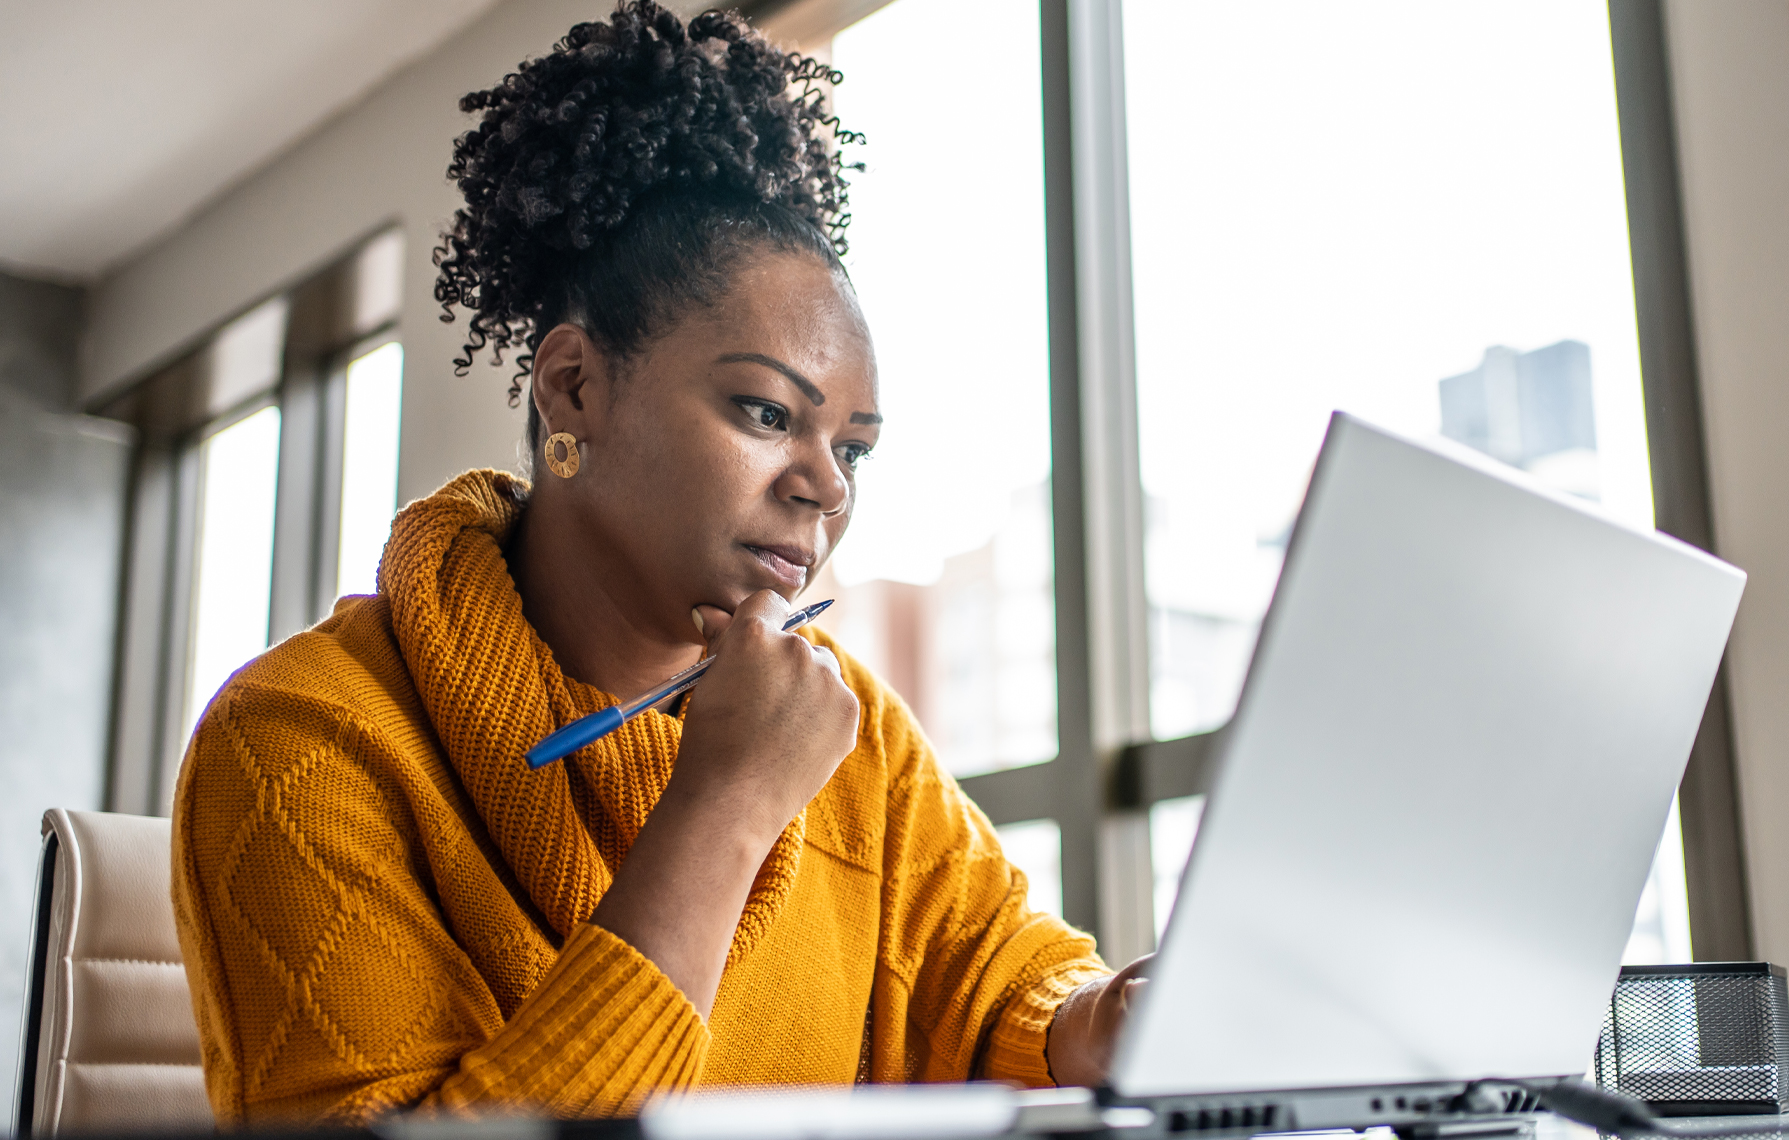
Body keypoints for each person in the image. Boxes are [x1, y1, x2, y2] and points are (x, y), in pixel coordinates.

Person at [170, 2, 1141, 1123]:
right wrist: (725, 808)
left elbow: (996, 976)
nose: (826, 485)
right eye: (767, 411)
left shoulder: (851, 732)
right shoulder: (303, 740)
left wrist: (1097, 1016)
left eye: (855, 449)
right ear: (575, 386)